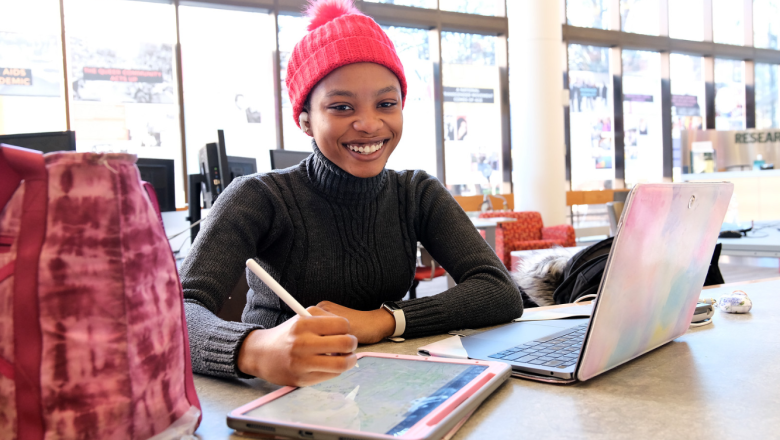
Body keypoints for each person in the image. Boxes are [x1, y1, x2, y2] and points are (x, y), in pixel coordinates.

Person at [180, 0, 522, 387]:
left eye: (386, 104)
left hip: (386, 389)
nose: (369, 123)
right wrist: (254, 350)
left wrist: (382, 321)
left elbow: (498, 291)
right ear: (306, 120)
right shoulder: (259, 197)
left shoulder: (415, 192)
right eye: (341, 107)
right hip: (279, 395)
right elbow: (176, 314)